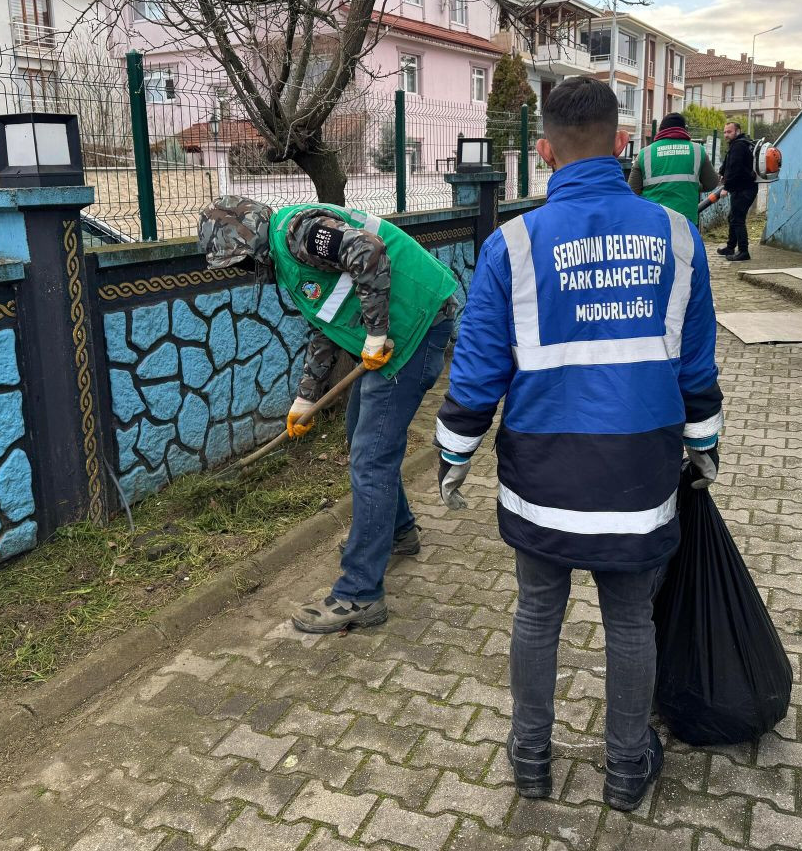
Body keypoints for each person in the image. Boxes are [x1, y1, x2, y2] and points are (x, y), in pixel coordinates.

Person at [433, 77, 723, 812]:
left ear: (542, 151)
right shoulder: (680, 239)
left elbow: (478, 368)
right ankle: (627, 770)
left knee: (537, 612)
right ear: (624, 145)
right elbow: (696, 365)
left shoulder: (513, 244)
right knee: (629, 620)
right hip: (638, 473)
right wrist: (705, 444)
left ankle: (530, 762)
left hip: (544, 471)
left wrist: (454, 455)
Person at [197, 196, 458, 634]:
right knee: (362, 435)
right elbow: (327, 322)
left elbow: (367, 250)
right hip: (403, 332)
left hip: (414, 329)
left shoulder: (298, 231)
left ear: (253, 235)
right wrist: (305, 397)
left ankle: (360, 593)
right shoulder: (290, 256)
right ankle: (398, 532)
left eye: (243, 260)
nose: (247, 270)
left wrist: (375, 332)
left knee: (370, 458)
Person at [628, 112, 720, 226]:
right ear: (684, 129)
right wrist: (691, 185)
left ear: (660, 130)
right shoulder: (697, 150)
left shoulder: (645, 153)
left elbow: (632, 191)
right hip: (686, 221)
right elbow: (712, 183)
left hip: (655, 220)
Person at [716, 120, 758, 262]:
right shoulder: (738, 144)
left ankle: (743, 251)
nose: (726, 135)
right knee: (732, 217)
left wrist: (726, 188)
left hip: (744, 189)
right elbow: (728, 163)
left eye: (729, 132)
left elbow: (735, 168)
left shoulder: (739, 146)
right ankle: (730, 247)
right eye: (725, 132)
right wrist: (721, 172)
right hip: (742, 188)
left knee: (738, 219)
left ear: (737, 131)